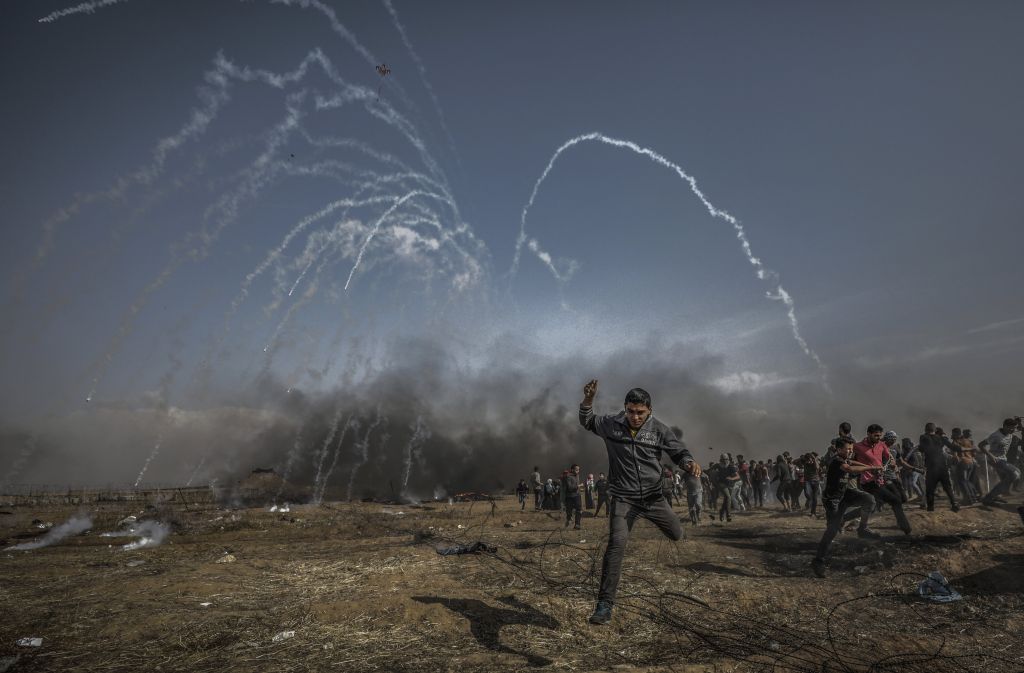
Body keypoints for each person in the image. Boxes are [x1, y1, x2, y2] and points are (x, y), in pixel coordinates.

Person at [578, 380, 701, 625]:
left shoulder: (659, 430)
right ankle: (604, 605)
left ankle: (668, 524)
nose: (635, 417)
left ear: (649, 411)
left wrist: (689, 463)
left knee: (676, 534)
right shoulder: (611, 425)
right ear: (625, 408)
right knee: (616, 545)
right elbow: (587, 420)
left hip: (654, 498)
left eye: (640, 412)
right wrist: (589, 400)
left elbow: (679, 452)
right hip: (624, 498)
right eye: (631, 411)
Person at [811, 437, 884, 577]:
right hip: (833, 500)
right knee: (832, 530)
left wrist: (867, 464)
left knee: (870, 501)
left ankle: (850, 522)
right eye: (848, 449)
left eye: (851, 449)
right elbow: (849, 468)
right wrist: (872, 468)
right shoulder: (837, 461)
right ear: (839, 449)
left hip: (845, 494)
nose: (850, 451)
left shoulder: (844, 458)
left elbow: (852, 462)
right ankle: (818, 561)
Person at [853, 425, 912, 535]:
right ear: (868, 434)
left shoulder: (881, 445)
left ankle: (847, 520)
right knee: (895, 500)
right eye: (876, 435)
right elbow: (849, 460)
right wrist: (867, 468)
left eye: (880, 435)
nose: (878, 438)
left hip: (880, 481)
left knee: (872, 505)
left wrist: (890, 464)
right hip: (867, 482)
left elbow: (889, 457)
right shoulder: (858, 447)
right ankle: (906, 528)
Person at [978, 418, 1023, 506]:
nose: (1013, 430)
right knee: (1015, 473)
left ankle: (994, 496)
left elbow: (1021, 429)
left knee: (1005, 480)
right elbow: (980, 445)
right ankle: (988, 497)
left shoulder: (1010, 433)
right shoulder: (995, 435)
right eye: (1011, 428)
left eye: (1014, 428)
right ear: (1005, 426)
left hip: (1003, 459)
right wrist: (990, 455)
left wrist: (1019, 422)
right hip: (995, 460)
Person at [919, 423, 960, 512]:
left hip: (931, 466)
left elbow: (921, 449)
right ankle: (954, 503)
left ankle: (930, 508)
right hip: (942, 466)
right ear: (934, 430)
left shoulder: (923, 437)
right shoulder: (941, 438)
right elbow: (954, 447)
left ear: (925, 429)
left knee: (930, 488)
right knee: (947, 486)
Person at [717, 455, 740, 522]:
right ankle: (728, 515)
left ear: (728, 460)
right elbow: (710, 471)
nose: (725, 461)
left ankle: (721, 512)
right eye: (723, 459)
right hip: (721, 484)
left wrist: (732, 478)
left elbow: (738, 476)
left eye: (726, 459)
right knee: (728, 497)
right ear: (721, 460)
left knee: (726, 499)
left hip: (729, 484)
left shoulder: (731, 466)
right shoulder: (718, 466)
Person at [564, 464, 583, 529]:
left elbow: (576, 485)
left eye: (578, 470)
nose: (578, 471)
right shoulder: (568, 477)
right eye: (576, 470)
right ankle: (568, 520)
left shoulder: (577, 475)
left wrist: (579, 488)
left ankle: (577, 524)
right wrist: (578, 486)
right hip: (570, 497)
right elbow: (569, 488)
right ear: (572, 470)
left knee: (579, 510)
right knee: (569, 511)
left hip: (577, 495)